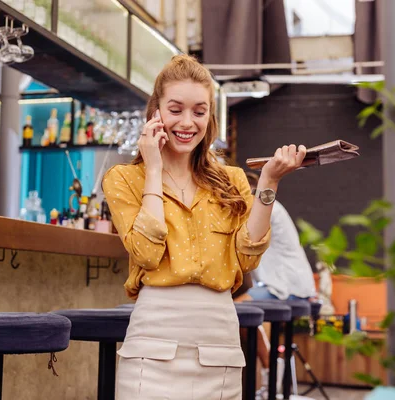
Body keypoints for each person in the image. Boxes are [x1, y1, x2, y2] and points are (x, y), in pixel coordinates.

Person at [102, 54, 306, 400]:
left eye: (199, 111)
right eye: (176, 109)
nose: (187, 122)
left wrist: (270, 181)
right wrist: (153, 168)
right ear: (156, 111)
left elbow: (246, 258)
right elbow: (147, 254)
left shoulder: (233, 180)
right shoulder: (125, 178)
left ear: (210, 116)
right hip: (154, 337)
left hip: (218, 338)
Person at [245, 171, 317, 301]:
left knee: (231, 305)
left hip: (287, 288)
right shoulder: (269, 209)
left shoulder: (267, 210)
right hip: (289, 286)